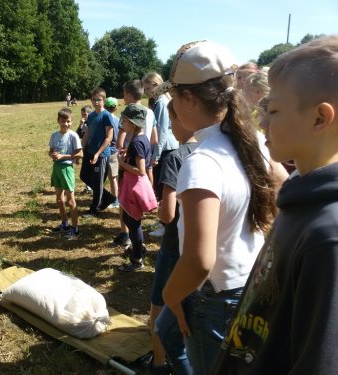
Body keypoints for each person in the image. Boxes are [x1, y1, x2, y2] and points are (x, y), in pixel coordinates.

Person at [211, 35, 338, 375]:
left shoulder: (328, 236)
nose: (263, 122)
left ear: (319, 118)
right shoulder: (298, 197)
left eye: (275, 110)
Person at [161, 41, 277, 375]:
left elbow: (199, 261)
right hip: (247, 281)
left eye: (174, 95)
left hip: (211, 297)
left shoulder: (202, 163)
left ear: (188, 99)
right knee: (166, 332)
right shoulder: (252, 141)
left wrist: (171, 296)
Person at [149, 100, 196, 375]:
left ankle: (158, 362)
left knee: (159, 305)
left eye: (170, 121)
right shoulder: (208, 150)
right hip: (198, 246)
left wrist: (158, 209)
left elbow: (167, 214)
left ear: (180, 121)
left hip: (173, 245)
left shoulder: (175, 158)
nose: (168, 126)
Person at [109, 80, 157, 249]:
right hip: (145, 155)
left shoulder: (127, 114)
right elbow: (155, 139)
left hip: (132, 162)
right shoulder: (150, 112)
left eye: (124, 94)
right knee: (140, 200)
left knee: (126, 203)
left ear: (129, 94)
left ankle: (126, 235)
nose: (123, 97)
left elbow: (120, 142)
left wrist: (123, 157)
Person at [117, 103, 157, 272]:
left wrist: (121, 163)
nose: (122, 123)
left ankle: (137, 258)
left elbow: (140, 171)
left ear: (132, 123)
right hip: (133, 184)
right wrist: (128, 157)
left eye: (124, 120)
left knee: (133, 222)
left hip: (134, 185)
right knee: (129, 219)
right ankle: (138, 247)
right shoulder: (141, 139)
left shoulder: (137, 143)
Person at [142, 71, 179, 238]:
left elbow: (163, 131)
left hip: (166, 149)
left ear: (158, 86)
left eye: (150, 87)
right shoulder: (156, 102)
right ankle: (162, 221)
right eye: (146, 87)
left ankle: (166, 225)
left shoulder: (162, 103)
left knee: (163, 187)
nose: (147, 91)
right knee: (159, 185)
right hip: (161, 149)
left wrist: (156, 155)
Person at [80, 87, 116, 217]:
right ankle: (107, 197)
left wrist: (97, 153)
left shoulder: (106, 115)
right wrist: (81, 149)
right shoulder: (91, 116)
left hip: (101, 155)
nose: (96, 102)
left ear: (104, 100)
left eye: (99, 100)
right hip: (89, 152)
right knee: (84, 176)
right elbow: (87, 133)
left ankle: (94, 209)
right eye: (94, 100)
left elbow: (109, 137)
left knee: (98, 181)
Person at [48, 108, 83, 239]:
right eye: (63, 121)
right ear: (58, 121)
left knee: (71, 201)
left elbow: (80, 153)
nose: (66, 124)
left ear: (71, 122)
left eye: (68, 121)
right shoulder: (54, 135)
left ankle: (75, 229)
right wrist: (53, 155)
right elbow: (50, 151)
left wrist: (63, 156)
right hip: (56, 168)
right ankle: (65, 224)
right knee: (59, 199)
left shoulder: (73, 135)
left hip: (67, 169)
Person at [105, 97, 120, 208]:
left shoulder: (106, 119)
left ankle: (115, 200)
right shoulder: (119, 120)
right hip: (116, 150)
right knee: (115, 176)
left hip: (110, 151)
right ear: (116, 107)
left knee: (112, 177)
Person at [76, 105, 94, 195]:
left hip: (92, 150)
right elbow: (77, 135)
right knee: (86, 170)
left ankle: (92, 187)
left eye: (85, 114)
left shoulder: (92, 123)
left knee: (91, 170)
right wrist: (80, 125)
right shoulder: (83, 124)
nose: (83, 116)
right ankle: (88, 187)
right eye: (82, 114)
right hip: (85, 150)